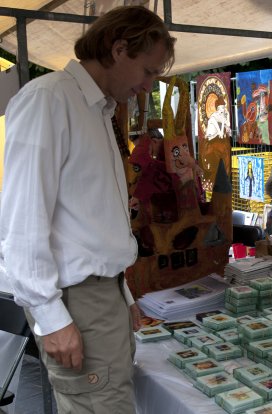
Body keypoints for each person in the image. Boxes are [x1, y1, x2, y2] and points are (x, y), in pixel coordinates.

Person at [0, 6, 175, 413]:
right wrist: (50, 317)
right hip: (77, 301)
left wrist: (123, 293)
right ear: (118, 49)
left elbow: (90, 223)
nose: (149, 86)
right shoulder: (50, 99)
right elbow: (21, 224)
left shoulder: (96, 110)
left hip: (102, 295)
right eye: (148, 71)